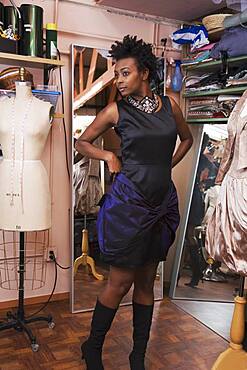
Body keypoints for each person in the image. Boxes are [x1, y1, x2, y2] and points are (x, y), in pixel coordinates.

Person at [75, 35, 193, 370]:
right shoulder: (116, 110)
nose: (119, 80)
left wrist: (166, 165)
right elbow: (82, 143)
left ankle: (137, 356)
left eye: (124, 73)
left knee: (146, 283)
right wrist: (108, 154)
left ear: (143, 71)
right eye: (116, 74)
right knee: (120, 282)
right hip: (129, 204)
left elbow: (187, 139)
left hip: (160, 203)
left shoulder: (170, 104)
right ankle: (93, 348)